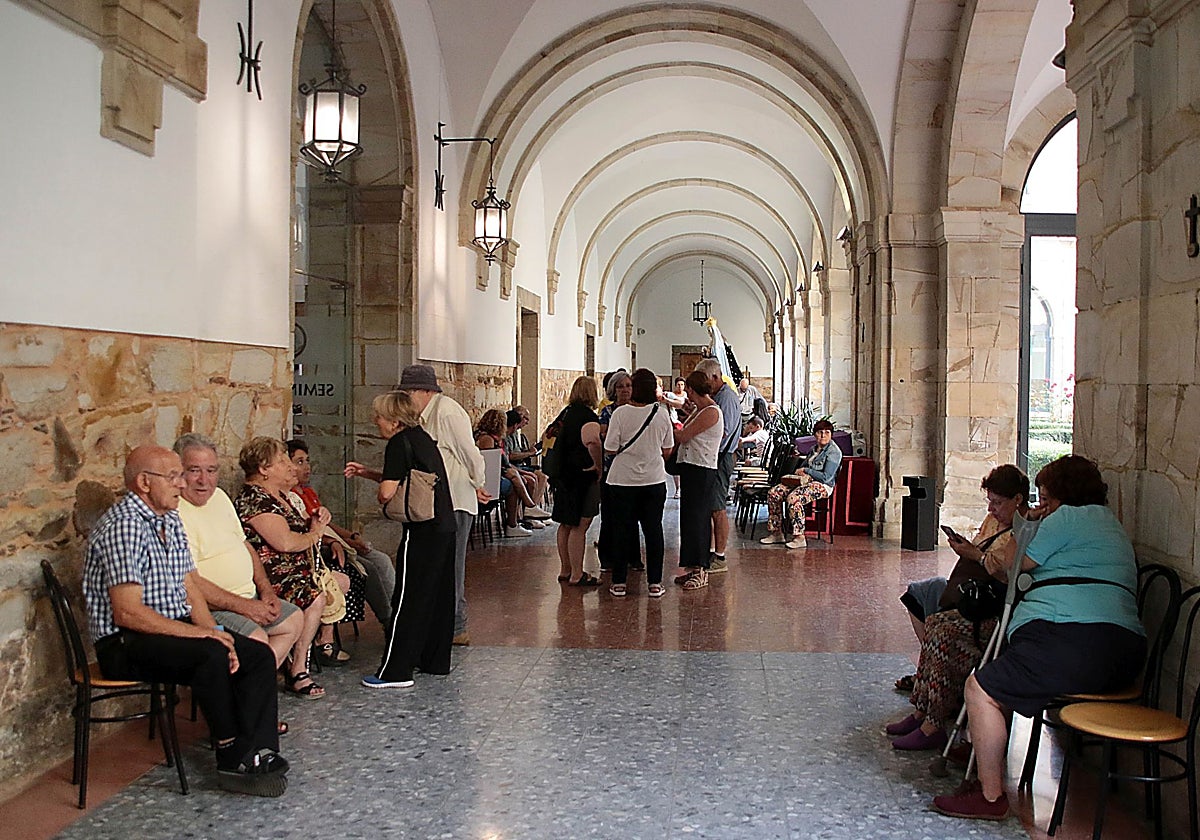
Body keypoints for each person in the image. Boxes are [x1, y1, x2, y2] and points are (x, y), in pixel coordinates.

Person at [931, 455, 1145, 821]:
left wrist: (1026, 524)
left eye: (1045, 499)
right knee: (1004, 677)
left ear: (1064, 496)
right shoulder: (1107, 522)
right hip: (1122, 651)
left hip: (1073, 641)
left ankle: (990, 796)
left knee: (981, 689)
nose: (1041, 506)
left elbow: (1012, 563)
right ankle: (984, 749)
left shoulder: (1067, 518)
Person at [83, 445, 288, 796]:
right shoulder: (125, 527)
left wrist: (215, 631)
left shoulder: (168, 518)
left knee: (256, 655)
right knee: (208, 653)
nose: (182, 484)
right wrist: (207, 639)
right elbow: (127, 612)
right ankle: (230, 753)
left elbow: (189, 582)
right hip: (124, 642)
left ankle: (258, 749)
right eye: (174, 476)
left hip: (165, 628)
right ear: (145, 482)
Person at [885, 465, 1028, 751]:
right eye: (990, 501)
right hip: (975, 594)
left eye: (998, 502)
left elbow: (1009, 574)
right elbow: (981, 552)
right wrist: (970, 550)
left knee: (941, 629)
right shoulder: (993, 520)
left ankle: (933, 722)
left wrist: (975, 555)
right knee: (933, 616)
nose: (993, 508)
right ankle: (922, 709)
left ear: (1018, 500)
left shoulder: (1024, 531)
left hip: (995, 609)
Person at [346, 392, 456, 689]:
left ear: (394, 421)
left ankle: (395, 670)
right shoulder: (421, 438)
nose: (375, 421)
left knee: (407, 598)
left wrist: (380, 492)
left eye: (379, 416)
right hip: (444, 525)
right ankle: (434, 660)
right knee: (437, 596)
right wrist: (368, 472)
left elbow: (387, 492)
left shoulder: (397, 442)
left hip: (422, 532)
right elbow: (410, 477)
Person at [174, 435, 306, 681]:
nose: (204, 480)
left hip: (250, 597)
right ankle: (249, 703)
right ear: (178, 472)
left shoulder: (220, 497)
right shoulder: (175, 511)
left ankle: (252, 695)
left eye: (211, 470)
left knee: (293, 620)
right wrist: (245, 607)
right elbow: (191, 583)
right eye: (194, 471)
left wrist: (266, 591)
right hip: (214, 607)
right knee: (258, 642)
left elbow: (244, 545)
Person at [233, 436, 350, 688]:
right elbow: (284, 542)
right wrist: (317, 533)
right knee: (314, 595)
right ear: (264, 469)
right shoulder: (256, 499)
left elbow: (301, 527)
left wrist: (317, 521)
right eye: (282, 461)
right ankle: (298, 667)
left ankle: (308, 653)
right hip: (271, 575)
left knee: (339, 581)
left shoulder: (279, 496)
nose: (290, 466)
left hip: (294, 570)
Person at [394, 364, 489, 646]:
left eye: (409, 391)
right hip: (439, 502)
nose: (406, 397)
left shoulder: (446, 412)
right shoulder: (424, 415)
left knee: (452, 566)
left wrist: (477, 482)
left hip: (456, 500)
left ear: (425, 391)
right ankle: (440, 623)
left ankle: (457, 626)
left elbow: (470, 453)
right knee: (440, 565)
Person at [286, 438, 396, 626]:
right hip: (320, 547)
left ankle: (397, 611)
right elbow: (311, 527)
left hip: (333, 540)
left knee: (382, 560)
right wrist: (339, 542)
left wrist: (351, 536)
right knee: (365, 569)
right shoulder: (291, 498)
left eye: (307, 461)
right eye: (299, 462)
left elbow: (328, 524)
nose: (307, 467)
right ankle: (388, 620)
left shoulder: (308, 492)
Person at [603, 368, 675, 598]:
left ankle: (619, 583)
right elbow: (668, 449)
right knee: (654, 530)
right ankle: (655, 583)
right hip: (653, 480)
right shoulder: (661, 413)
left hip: (621, 481)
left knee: (622, 530)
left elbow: (610, 448)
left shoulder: (620, 414)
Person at [672, 369, 723, 590]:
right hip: (692, 469)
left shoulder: (711, 412)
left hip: (702, 471)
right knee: (689, 521)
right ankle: (692, 568)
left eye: (689, 391)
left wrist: (666, 426)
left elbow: (683, 435)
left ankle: (702, 570)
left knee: (700, 521)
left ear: (691, 390)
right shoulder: (699, 410)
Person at [550, 375, 604, 585]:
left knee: (565, 523)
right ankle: (577, 574)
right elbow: (592, 442)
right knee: (580, 525)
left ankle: (565, 569)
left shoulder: (565, 413)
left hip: (563, 474)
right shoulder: (587, 416)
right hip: (581, 475)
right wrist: (598, 466)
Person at [758, 419, 842, 549]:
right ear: (815, 434)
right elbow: (803, 467)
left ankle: (799, 537)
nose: (823, 435)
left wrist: (807, 471)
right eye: (820, 432)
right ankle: (776, 533)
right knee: (774, 493)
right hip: (804, 482)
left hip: (822, 486)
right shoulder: (814, 449)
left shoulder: (834, 452)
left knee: (794, 498)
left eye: (827, 432)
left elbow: (826, 477)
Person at [695, 358, 741, 574]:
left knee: (718, 507)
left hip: (721, 458)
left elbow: (724, 433)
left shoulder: (727, 399)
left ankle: (720, 556)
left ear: (715, 377)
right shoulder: (717, 396)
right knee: (712, 507)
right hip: (713, 458)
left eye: (706, 381)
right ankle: (712, 550)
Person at [474, 408, 550, 537]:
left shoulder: (493, 438)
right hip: (490, 477)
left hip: (500, 471)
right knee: (513, 482)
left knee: (520, 477)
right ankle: (519, 518)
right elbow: (490, 463)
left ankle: (524, 514)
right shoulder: (487, 439)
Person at [598, 370, 635, 572]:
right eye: (620, 387)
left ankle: (632, 556)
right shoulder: (608, 412)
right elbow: (604, 437)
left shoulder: (639, 410)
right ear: (614, 390)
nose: (625, 390)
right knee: (610, 515)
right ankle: (607, 557)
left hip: (632, 470)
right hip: (611, 469)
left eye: (628, 386)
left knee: (631, 516)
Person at [504, 406, 550, 517]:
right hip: (514, 466)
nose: (527, 422)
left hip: (518, 465)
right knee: (531, 479)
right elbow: (510, 456)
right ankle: (529, 511)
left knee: (542, 477)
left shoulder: (515, 433)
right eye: (526, 418)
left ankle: (533, 509)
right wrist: (529, 453)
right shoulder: (507, 434)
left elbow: (517, 452)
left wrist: (528, 451)